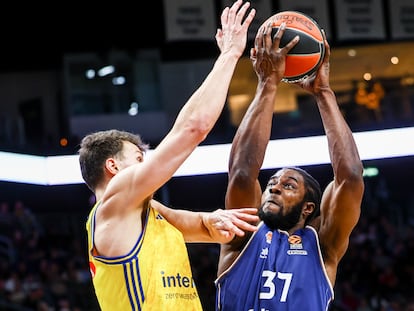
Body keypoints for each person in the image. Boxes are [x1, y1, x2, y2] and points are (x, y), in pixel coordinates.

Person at [78, 1, 259, 310]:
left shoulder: (146, 209)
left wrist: (213, 221)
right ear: (112, 166)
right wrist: (229, 55)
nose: (146, 165)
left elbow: (201, 227)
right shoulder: (115, 200)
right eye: (137, 159)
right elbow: (193, 129)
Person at [214, 21, 365, 310]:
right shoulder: (242, 236)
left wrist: (324, 93)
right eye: (272, 184)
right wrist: (267, 84)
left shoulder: (323, 247)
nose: (274, 188)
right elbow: (243, 173)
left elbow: (351, 178)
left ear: (309, 208)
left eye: (288, 185)